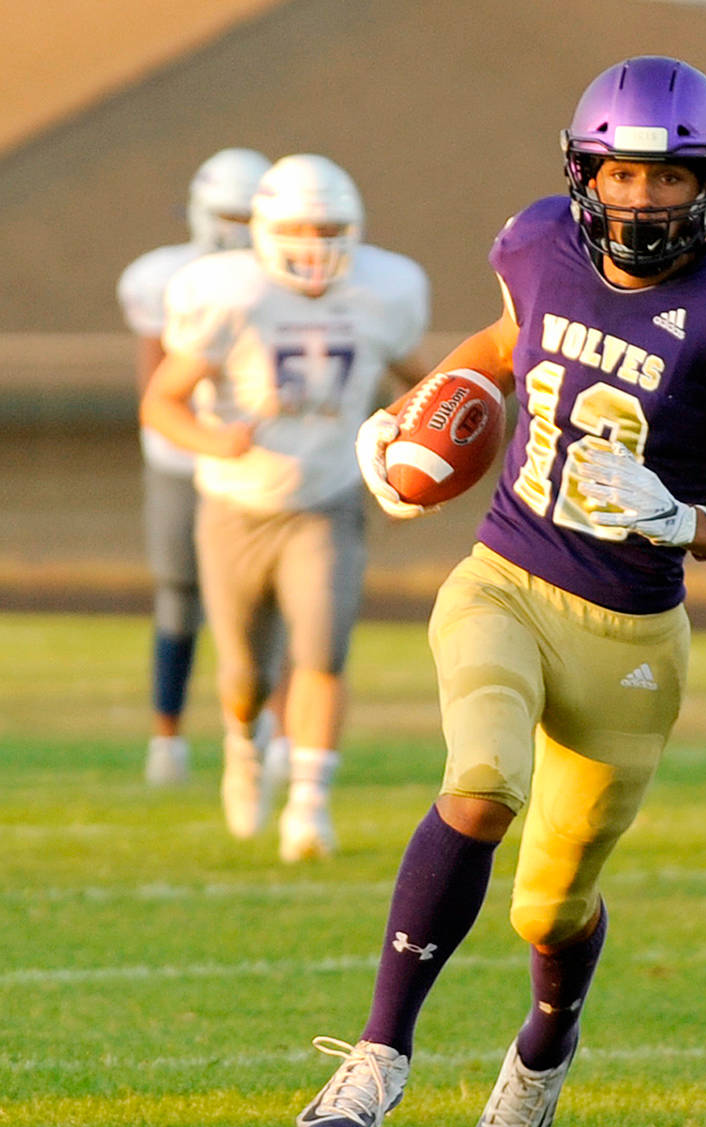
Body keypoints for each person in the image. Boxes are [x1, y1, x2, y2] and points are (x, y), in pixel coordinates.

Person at [293, 56, 706, 1127]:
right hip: (505, 580)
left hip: (630, 639)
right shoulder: (537, 246)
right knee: (480, 785)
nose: (642, 199)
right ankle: (380, 1051)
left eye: (668, 178)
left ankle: (541, 1052)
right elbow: (500, 348)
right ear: (583, 173)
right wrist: (411, 420)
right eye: (621, 173)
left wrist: (685, 521)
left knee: (550, 906)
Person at [140, 153, 431, 860]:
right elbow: (161, 401)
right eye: (299, 228)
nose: (314, 244)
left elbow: (428, 385)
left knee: (322, 651)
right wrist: (216, 439)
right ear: (265, 229)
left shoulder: (380, 292)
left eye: (327, 229)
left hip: (327, 500)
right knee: (245, 676)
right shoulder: (229, 293)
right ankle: (244, 743)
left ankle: (309, 804)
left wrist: (414, 435)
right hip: (236, 503)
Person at [118, 147, 272, 785]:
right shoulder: (162, 278)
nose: (238, 229)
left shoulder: (278, 281)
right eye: (230, 214)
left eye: (248, 215)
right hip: (184, 461)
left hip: (255, 463)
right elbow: (156, 389)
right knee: (179, 598)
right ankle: (168, 739)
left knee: (269, 604)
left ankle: (272, 734)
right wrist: (204, 437)